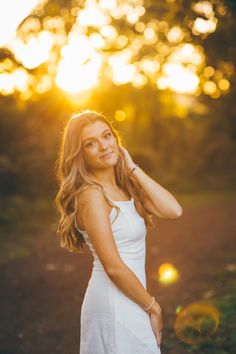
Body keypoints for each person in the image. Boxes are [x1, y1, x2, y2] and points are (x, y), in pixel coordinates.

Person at [54, 110, 183, 354]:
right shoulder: (91, 195)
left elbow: (173, 210)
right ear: (80, 154)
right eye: (91, 143)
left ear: (116, 139)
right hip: (114, 304)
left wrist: (132, 167)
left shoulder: (126, 188)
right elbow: (113, 266)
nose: (103, 146)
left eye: (106, 136)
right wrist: (153, 307)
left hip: (134, 297)